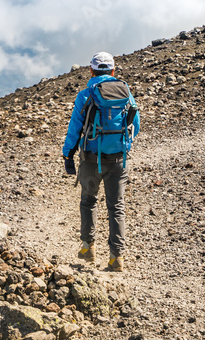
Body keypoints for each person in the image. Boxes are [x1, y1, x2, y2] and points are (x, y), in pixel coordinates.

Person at [62, 51, 140, 272]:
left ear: (91, 70)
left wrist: (68, 154)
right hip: (118, 160)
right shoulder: (126, 93)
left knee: (88, 201)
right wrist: (123, 145)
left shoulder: (85, 95)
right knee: (117, 207)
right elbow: (136, 124)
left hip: (90, 158)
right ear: (113, 71)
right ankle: (117, 258)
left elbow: (75, 128)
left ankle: (88, 247)